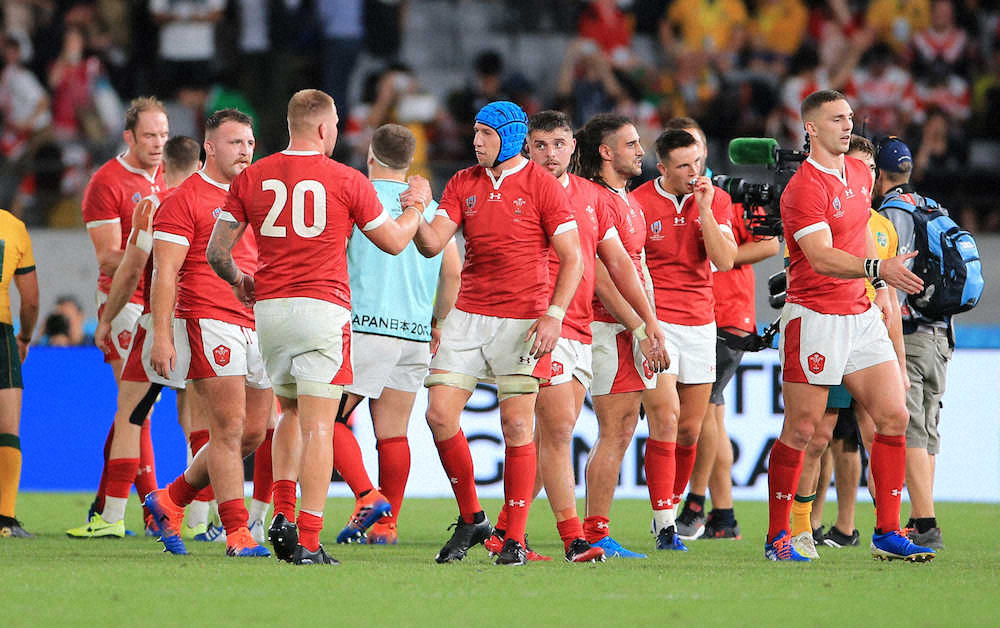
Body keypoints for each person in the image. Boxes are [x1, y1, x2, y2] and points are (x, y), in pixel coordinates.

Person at [207, 89, 427, 566]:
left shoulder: (254, 175)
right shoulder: (347, 179)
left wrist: (242, 281)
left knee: (286, 414)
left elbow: (216, 253)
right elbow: (392, 242)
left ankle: (281, 515)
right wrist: (415, 208)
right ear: (326, 129)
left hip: (270, 313)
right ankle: (307, 537)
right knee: (319, 427)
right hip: (323, 310)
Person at [483, 110, 665, 563]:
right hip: (538, 323)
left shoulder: (590, 197)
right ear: (527, 148)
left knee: (548, 434)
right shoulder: (515, 191)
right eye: (540, 145)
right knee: (557, 429)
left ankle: (507, 532)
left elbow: (617, 264)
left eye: (559, 144)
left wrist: (647, 324)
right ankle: (570, 538)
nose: (550, 154)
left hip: (580, 327)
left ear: (572, 147)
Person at [411, 100, 583, 566]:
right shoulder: (463, 182)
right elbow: (431, 245)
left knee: (517, 426)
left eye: (484, 134)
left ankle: (515, 540)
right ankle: (472, 517)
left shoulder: (544, 187)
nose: (475, 142)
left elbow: (573, 257)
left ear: (507, 136)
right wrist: (417, 207)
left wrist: (554, 314)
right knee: (438, 415)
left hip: (524, 320)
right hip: (468, 315)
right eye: (475, 133)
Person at [766, 89, 933, 563]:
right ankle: (779, 535)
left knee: (894, 415)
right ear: (811, 128)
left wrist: (882, 282)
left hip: (860, 315)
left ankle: (886, 530)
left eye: (851, 117)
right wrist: (879, 270)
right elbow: (818, 256)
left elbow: (861, 236)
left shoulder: (861, 173)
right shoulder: (803, 188)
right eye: (837, 119)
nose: (848, 125)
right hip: (814, 317)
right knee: (802, 430)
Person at [140, 109, 275, 558]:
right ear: (210, 148)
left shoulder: (257, 197)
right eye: (236, 143)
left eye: (250, 143)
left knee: (254, 432)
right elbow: (164, 273)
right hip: (207, 317)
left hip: (258, 322)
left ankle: (170, 499)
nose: (246, 151)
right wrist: (162, 336)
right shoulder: (184, 199)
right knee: (228, 428)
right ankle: (238, 532)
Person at [331, 123, 461, 546]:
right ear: (410, 163)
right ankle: (387, 525)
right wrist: (437, 322)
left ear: (370, 156)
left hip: (366, 326)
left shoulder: (357, 198)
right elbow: (454, 272)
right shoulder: (433, 208)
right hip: (414, 332)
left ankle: (368, 496)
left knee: (321, 417)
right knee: (392, 433)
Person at [66, 135, 201, 540]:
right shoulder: (215, 203)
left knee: (131, 416)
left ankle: (112, 516)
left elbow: (129, 269)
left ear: (165, 168)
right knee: (201, 425)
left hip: (155, 323)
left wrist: (106, 318)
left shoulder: (153, 206)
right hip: (202, 323)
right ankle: (198, 523)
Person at [786, 134, 908, 558]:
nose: (865, 177)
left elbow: (887, 299)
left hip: (865, 326)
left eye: (871, 170)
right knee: (816, 435)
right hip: (822, 322)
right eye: (859, 168)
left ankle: (883, 529)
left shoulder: (882, 227)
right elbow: (814, 261)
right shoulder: (815, 202)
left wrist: (901, 363)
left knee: (886, 423)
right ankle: (800, 528)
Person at [674, 117, 780, 541]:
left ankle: (696, 505)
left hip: (726, 313)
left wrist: (727, 255)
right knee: (711, 413)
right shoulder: (673, 198)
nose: (692, 162)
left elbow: (773, 242)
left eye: (697, 149)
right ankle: (724, 515)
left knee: (703, 415)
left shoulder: (726, 194)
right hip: (693, 314)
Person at [633, 123, 738, 549]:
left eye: (698, 161)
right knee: (666, 417)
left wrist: (707, 210)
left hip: (700, 323)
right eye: (683, 166)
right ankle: (665, 523)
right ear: (662, 168)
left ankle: (670, 510)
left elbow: (725, 260)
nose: (695, 171)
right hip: (657, 323)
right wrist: (643, 324)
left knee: (691, 430)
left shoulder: (718, 199)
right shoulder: (638, 202)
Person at [571, 114, 664, 558]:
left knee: (620, 426)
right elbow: (603, 279)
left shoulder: (627, 200)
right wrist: (641, 327)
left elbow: (636, 270)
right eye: (630, 144)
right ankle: (593, 531)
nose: (640, 149)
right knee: (614, 426)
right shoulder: (594, 198)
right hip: (602, 326)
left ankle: (512, 527)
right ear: (606, 153)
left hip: (623, 327)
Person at [81, 96, 168, 527]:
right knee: (139, 406)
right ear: (129, 136)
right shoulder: (107, 182)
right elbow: (109, 258)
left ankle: (104, 505)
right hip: (122, 302)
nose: (158, 143)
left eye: (164, 135)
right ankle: (154, 508)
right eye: (150, 135)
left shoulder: (171, 177)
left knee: (131, 407)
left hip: (160, 301)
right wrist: (158, 251)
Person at [875, 136, 951, 550]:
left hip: (912, 333)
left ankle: (924, 522)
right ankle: (921, 515)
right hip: (942, 333)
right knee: (929, 430)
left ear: (878, 174)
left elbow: (896, 283)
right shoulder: (930, 205)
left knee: (912, 431)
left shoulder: (894, 213)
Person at [0, 206, 38, 537]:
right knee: (7, 429)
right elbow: (30, 301)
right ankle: (5, 520)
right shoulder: (12, 227)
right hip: (0, 333)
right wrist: (24, 337)